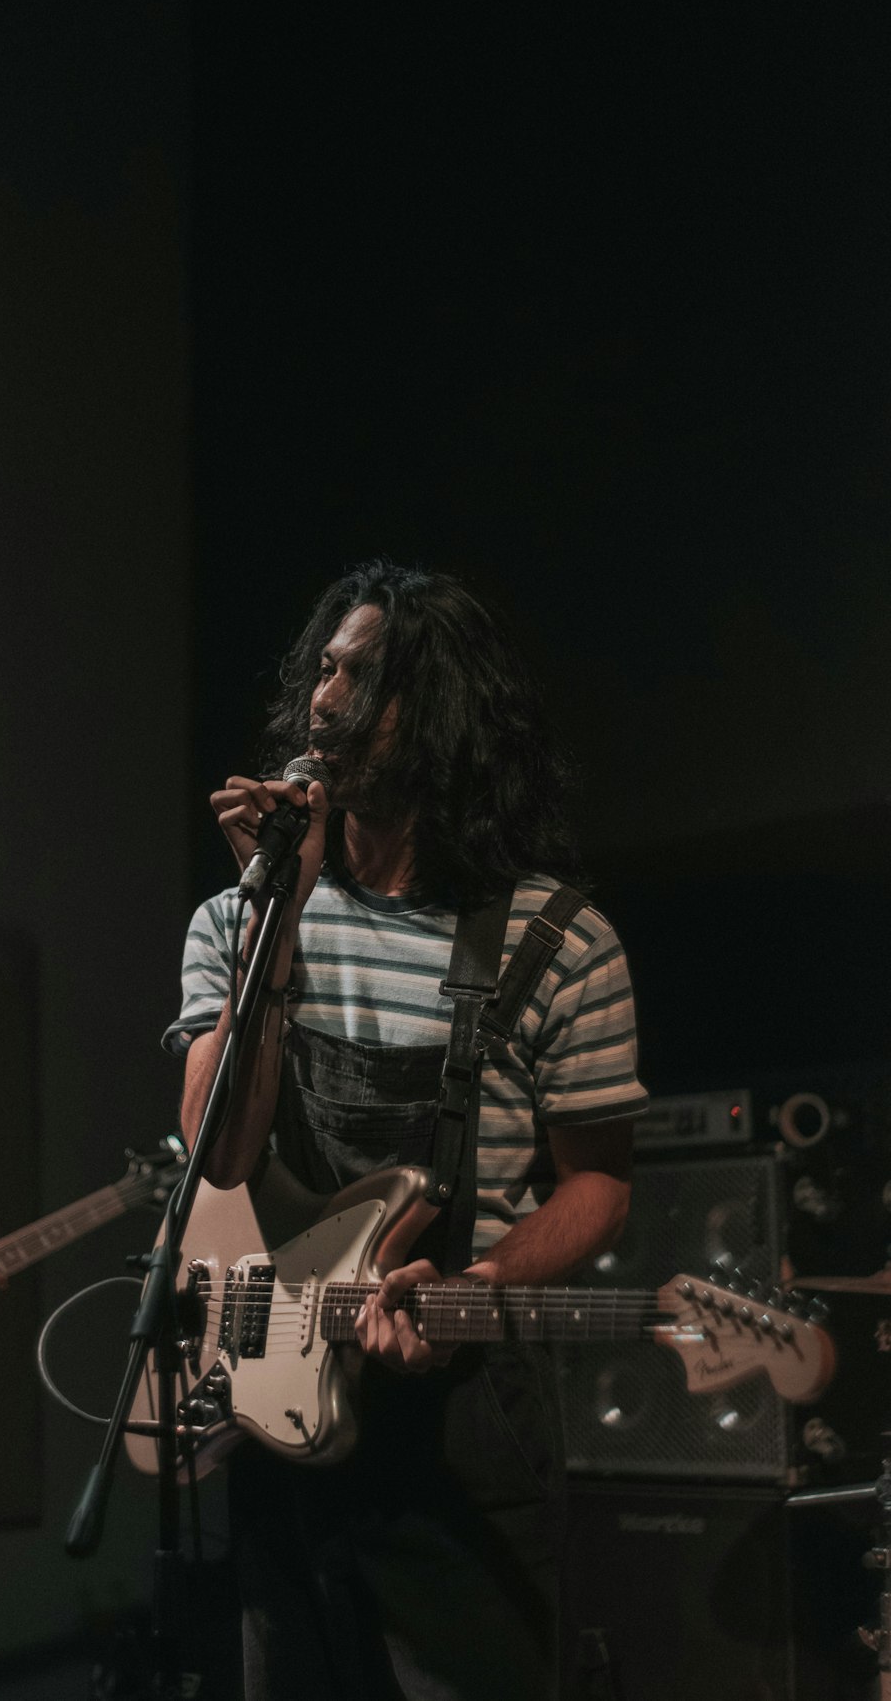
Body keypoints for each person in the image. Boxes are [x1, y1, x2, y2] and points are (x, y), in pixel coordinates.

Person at [163, 561, 647, 1700]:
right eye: (321, 669)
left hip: (467, 1435)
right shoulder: (235, 919)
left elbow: (599, 1185)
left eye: (362, 677)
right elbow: (221, 1157)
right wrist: (276, 920)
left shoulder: (560, 942)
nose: (323, 702)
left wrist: (473, 1282)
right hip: (280, 1414)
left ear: (438, 714)